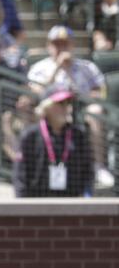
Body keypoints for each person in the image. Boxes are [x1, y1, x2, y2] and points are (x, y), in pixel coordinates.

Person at [27, 25, 112, 189]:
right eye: (56, 44)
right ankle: (37, 166)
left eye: (65, 44)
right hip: (50, 111)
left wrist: (72, 77)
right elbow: (38, 93)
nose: (61, 48)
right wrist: (58, 67)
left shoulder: (87, 67)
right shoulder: (40, 67)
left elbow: (99, 93)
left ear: (72, 45)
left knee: (96, 111)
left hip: (81, 110)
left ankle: (98, 166)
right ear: (48, 46)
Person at [14, 88, 93, 197]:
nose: (67, 108)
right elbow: (21, 176)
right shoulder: (30, 136)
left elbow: (88, 173)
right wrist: (23, 209)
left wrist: (86, 202)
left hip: (71, 205)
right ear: (47, 107)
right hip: (37, 205)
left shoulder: (78, 136)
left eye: (68, 103)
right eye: (61, 104)